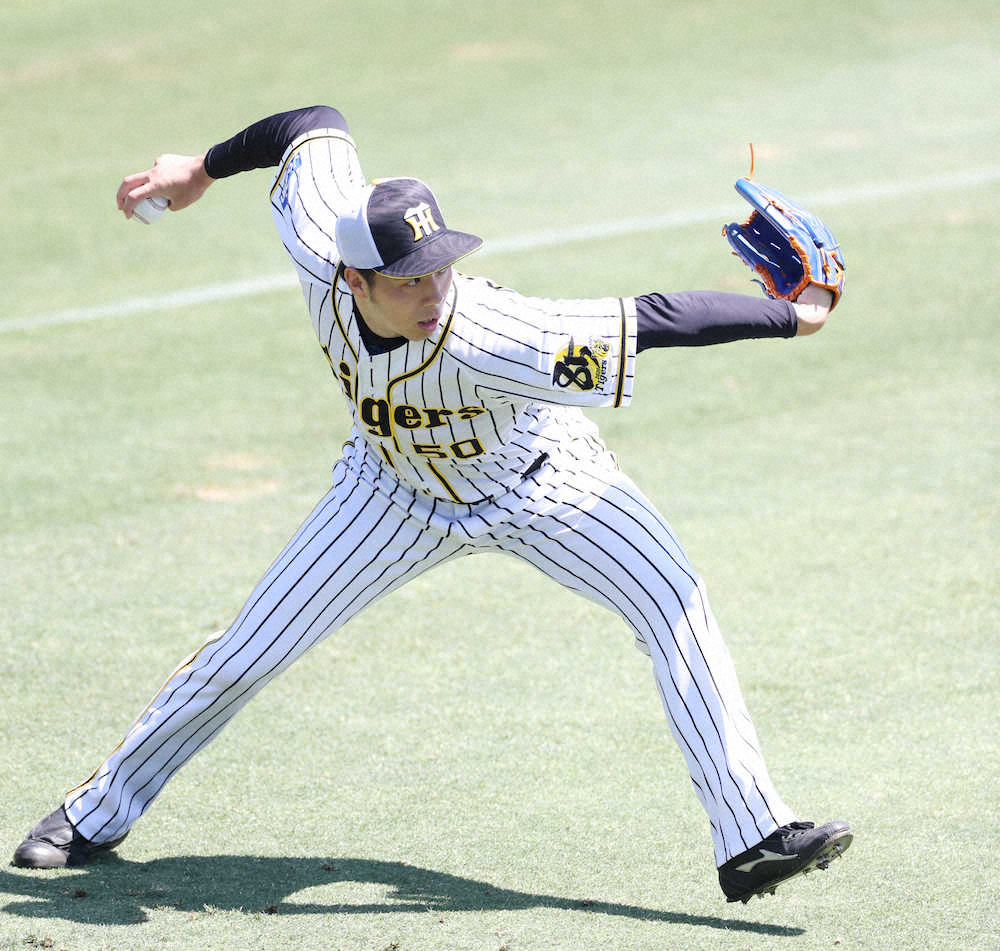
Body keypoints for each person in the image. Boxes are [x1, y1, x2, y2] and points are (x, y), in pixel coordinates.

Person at [13, 105, 852, 903]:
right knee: (247, 651)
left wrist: (797, 315)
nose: (432, 288)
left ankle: (752, 836)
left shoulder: (494, 332)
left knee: (674, 600)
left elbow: (654, 318)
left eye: (440, 264)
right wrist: (200, 168)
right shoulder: (320, 245)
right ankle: (95, 812)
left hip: (543, 481)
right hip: (389, 493)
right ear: (353, 276)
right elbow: (310, 126)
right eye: (409, 277)